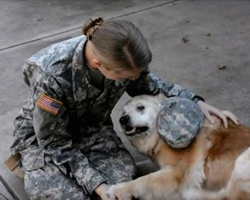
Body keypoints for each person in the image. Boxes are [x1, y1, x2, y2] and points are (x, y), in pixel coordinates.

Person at [10, 17, 238, 200]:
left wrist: (198, 103)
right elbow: (54, 142)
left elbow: (153, 86)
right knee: (65, 195)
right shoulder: (50, 75)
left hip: (91, 130)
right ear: (98, 65)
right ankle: (27, 165)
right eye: (127, 76)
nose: (134, 79)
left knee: (122, 181)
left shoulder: (123, 57)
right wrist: (97, 185)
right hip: (43, 139)